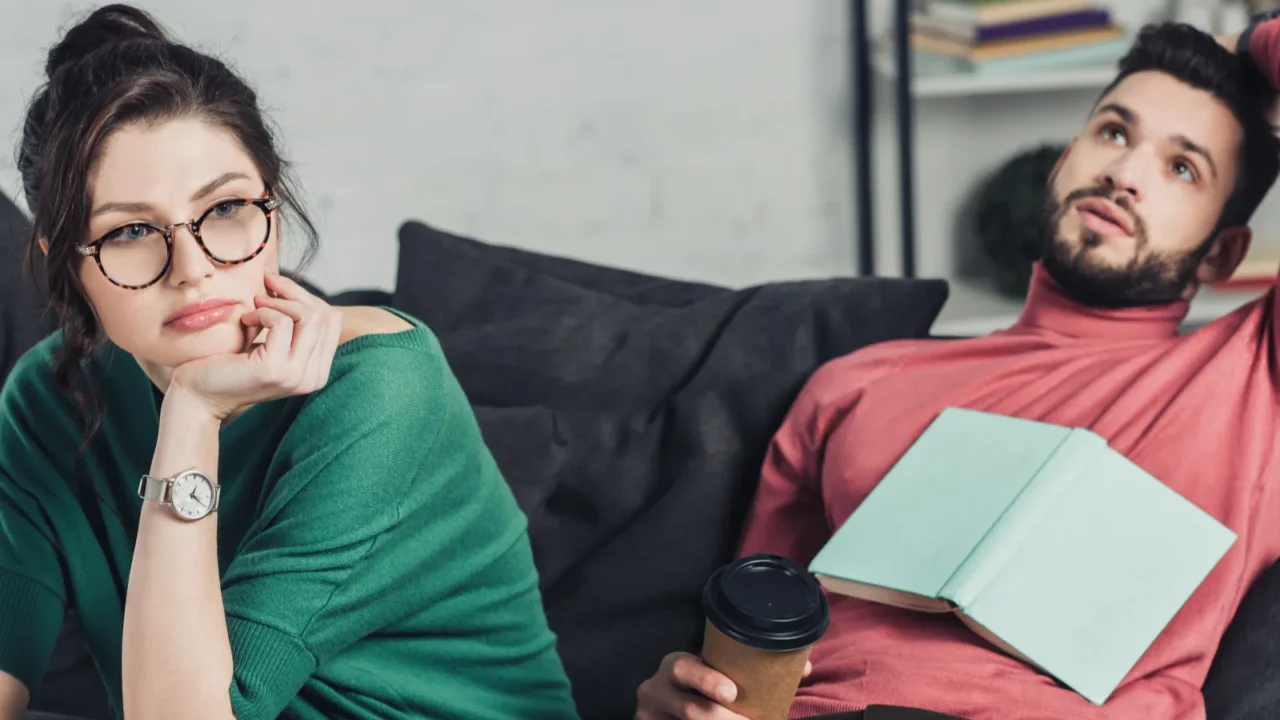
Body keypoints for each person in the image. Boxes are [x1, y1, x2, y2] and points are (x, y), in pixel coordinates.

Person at [636, 18, 1280, 720]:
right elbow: (758, 642)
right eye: (1115, 132)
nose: (1124, 174)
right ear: (1065, 160)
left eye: (1182, 167)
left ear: (1224, 252)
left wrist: (1251, 50)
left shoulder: (1254, 382)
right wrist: (694, 696)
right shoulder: (857, 383)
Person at [0, 5, 578, 720]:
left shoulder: (381, 387)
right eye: (131, 231)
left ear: (271, 204)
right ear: (65, 265)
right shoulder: (50, 398)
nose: (194, 267)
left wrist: (192, 413)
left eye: (225, 210)